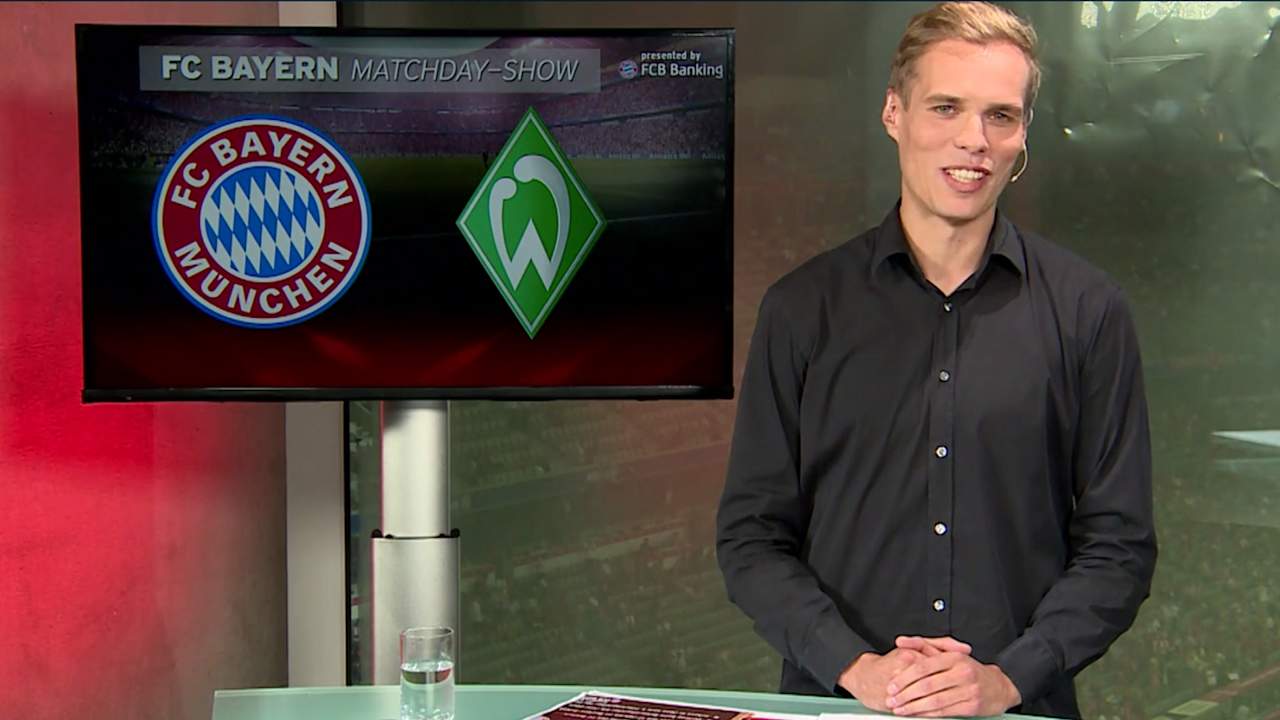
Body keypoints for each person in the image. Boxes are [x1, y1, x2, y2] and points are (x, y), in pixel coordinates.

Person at [715, 3, 1157, 718]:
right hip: (842, 708)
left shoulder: (1088, 311)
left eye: (1000, 116)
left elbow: (1119, 546)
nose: (973, 140)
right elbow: (751, 539)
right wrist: (857, 668)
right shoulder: (802, 310)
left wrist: (1006, 680)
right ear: (894, 113)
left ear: (1022, 134)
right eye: (946, 107)